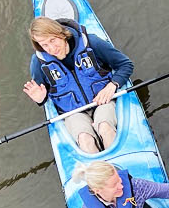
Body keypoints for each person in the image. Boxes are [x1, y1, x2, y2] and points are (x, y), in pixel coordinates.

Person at [24, 17, 134, 154]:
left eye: (53, 40)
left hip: (102, 101)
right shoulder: (38, 63)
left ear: (62, 34)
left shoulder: (92, 43)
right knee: (85, 139)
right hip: (73, 113)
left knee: (105, 128)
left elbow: (125, 65)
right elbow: (43, 96)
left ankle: (120, 170)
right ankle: (102, 173)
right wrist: (41, 99)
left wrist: (113, 85)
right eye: (44, 45)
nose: (51, 49)